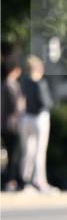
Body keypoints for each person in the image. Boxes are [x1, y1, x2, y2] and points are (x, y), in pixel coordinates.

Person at [20, 55, 56, 192]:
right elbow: (46, 102)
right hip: (39, 118)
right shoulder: (40, 83)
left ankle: (25, 179)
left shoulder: (24, 81)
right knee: (39, 151)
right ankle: (39, 180)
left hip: (26, 117)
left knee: (28, 151)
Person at [1, 45, 24, 191]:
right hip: (12, 124)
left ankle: (8, 179)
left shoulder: (2, 85)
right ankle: (10, 180)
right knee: (14, 155)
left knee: (9, 154)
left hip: (3, 124)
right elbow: (16, 107)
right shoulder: (12, 86)